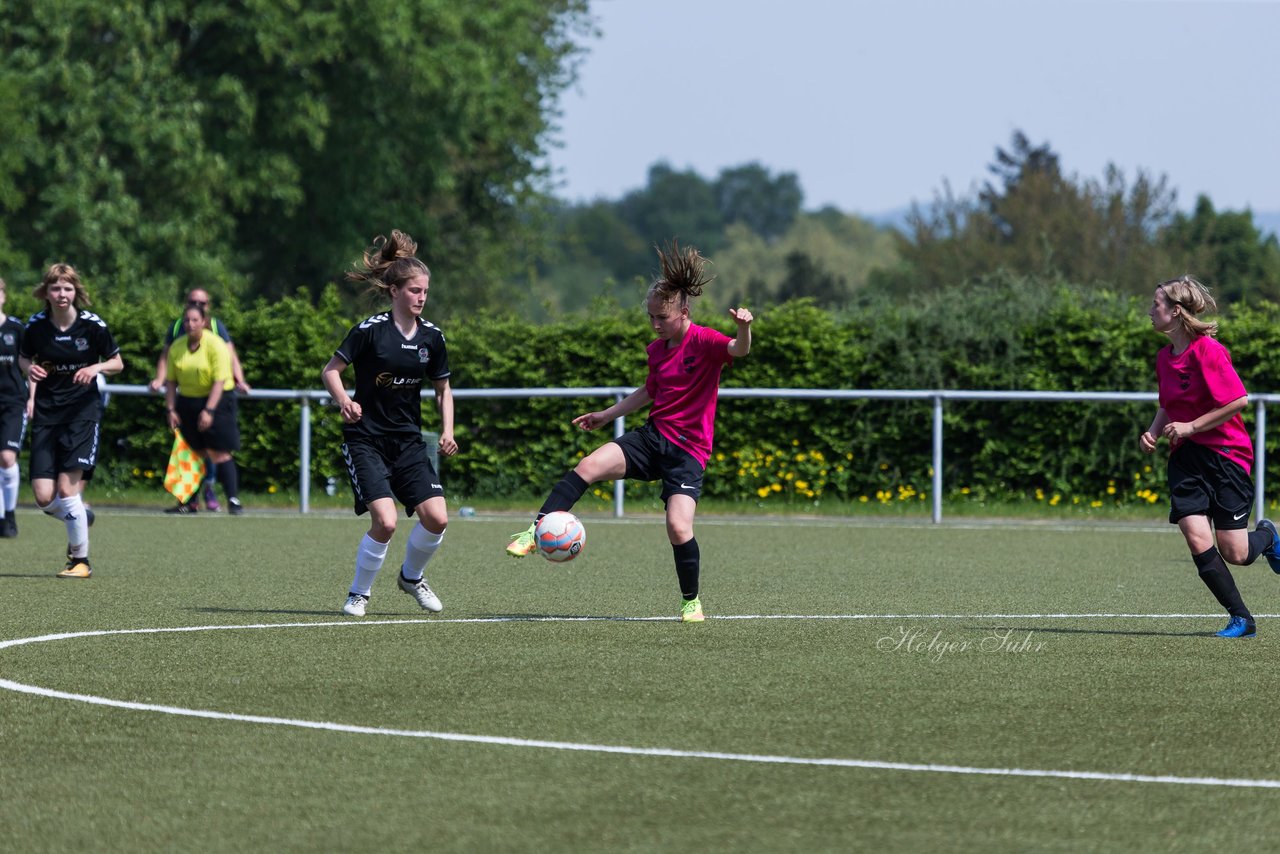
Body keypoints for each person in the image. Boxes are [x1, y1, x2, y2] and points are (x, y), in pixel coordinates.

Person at [505, 241, 754, 623]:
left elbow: (739, 350)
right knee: (589, 465)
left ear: (683, 312)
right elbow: (650, 391)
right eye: (652, 317)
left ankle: (691, 602)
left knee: (677, 525)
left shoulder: (704, 340)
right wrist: (607, 415)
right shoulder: (657, 350)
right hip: (653, 438)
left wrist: (743, 327)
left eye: (663, 317)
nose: (656, 324)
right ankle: (535, 530)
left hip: (689, 453)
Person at [321, 229, 458, 617]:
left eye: (425, 292)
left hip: (408, 443)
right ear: (395, 290)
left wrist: (447, 430)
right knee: (386, 521)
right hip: (366, 440)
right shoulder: (371, 331)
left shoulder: (432, 337)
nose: (422, 298)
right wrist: (344, 399)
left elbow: (443, 389)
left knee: (438, 517)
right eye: (415, 291)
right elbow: (331, 371)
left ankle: (411, 577)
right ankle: (358, 593)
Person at [1140, 274, 1280, 638]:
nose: (1150, 311)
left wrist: (1192, 426)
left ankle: (1268, 536)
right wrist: (1154, 431)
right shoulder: (1163, 358)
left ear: (1175, 310)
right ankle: (1241, 618)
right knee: (1195, 536)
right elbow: (1168, 405)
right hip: (1187, 460)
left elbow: (1238, 400)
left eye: (1155, 304)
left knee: (1235, 552)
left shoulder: (1207, 350)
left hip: (1226, 456)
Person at [19, 263, 123, 578]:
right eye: (56, 288)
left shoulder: (93, 326)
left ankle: (80, 561)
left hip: (82, 412)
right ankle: (80, 516)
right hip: (48, 414)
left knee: (67, 490)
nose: (62, 294)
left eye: (67, 288)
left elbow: (117, 362)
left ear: (75, 291)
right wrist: (29, 370)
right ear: (46, 293)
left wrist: (96, 368)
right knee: (43, 498)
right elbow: (25, 357)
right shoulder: (35, 326)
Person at [149, 287, 250, 511]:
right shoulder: (177, 345)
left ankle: (233, 500)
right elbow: (172, 381)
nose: (190, 324)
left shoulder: (216, 343)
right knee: (192, 452)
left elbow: (220, 380)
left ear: (204, 321)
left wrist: (209, 411)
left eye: (195, 320)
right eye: (187, 320)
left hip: (217, 401)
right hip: (189, 400)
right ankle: (188, 502)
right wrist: (171, 409)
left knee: (219, 451)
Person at [0, 277, 26, 538]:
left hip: (13, 401)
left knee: (7, 457)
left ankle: (10, 515)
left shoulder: (17, 329)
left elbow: (32, 366)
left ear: (3, 296)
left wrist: (32, 398)